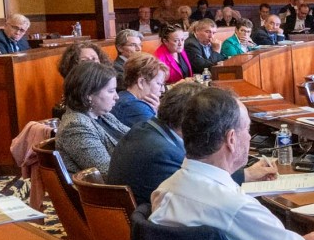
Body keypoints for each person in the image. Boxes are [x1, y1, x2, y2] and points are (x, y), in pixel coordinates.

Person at [150, 86, 314, 240]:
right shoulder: (236, 209)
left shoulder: (164, 190)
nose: (248, 136)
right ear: (231, 139)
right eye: (247, 129)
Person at [109, 84, 274, 205]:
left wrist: (247, 174)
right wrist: (245, 175)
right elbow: (202, 191)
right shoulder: (162, 153)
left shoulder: (146, 130)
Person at [55, 62, 129, 175]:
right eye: (111, 91)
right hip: (110, 190)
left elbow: (135, 137)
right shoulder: (75, 126)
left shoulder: (103, 115)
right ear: (88, 94)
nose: (117, 97)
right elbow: (107, 173)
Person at [111, 53, 168, 127]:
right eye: (159, 84)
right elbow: (163, 136)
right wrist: (159, 113)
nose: (163, 90)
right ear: (141, 82)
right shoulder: (135, 107)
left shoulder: (123, 96)